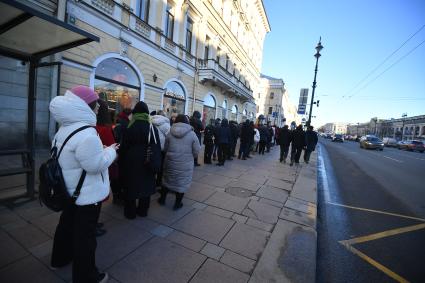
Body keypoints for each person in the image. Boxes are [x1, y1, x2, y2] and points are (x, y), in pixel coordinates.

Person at [50, 86, 118, 283]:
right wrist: (112, 151)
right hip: (86, 194)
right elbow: (95, 165)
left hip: (69, 190)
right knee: (85, 237)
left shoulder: (66, 127)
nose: (98, 109)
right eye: (96, 105)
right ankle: (86, 277)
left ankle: (59, 258)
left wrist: (100, 150)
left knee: (66, 225)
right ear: (87, 105)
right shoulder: (87, 133)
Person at [119, 101, 161, 219]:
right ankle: (143, 211)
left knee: (130, 186)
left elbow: (124, 147)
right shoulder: (152, 127)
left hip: (131, 161)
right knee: (146, 185)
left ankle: (130, 213)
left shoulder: (129, 125)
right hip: (148, 160)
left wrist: (121, 162)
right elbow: (156, 145)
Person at [158, 114, 201, 209]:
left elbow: (165, 148)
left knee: (167, 180)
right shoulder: (192, 134)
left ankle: (162, 199)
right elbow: (197, 150)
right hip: (185, 164)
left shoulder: (170, 132)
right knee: (182, 183)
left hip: (170, 161)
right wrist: (190, 157)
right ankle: (177, 204)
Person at [151, 110, 171, 186]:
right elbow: (169, 137)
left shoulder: (151, 121)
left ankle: (152, 181)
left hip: (153, 147)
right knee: (161, 166)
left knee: (152, 164)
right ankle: (158, 182)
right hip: (162, 149)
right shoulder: (166, 125)